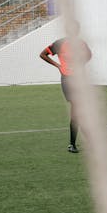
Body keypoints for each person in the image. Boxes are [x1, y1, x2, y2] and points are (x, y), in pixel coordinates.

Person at [40, 23, 92, 153]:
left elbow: (89, 55)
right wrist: (58, 66)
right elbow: (43, 54)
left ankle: (85, 141)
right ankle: (74, 144)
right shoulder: (60, 43)